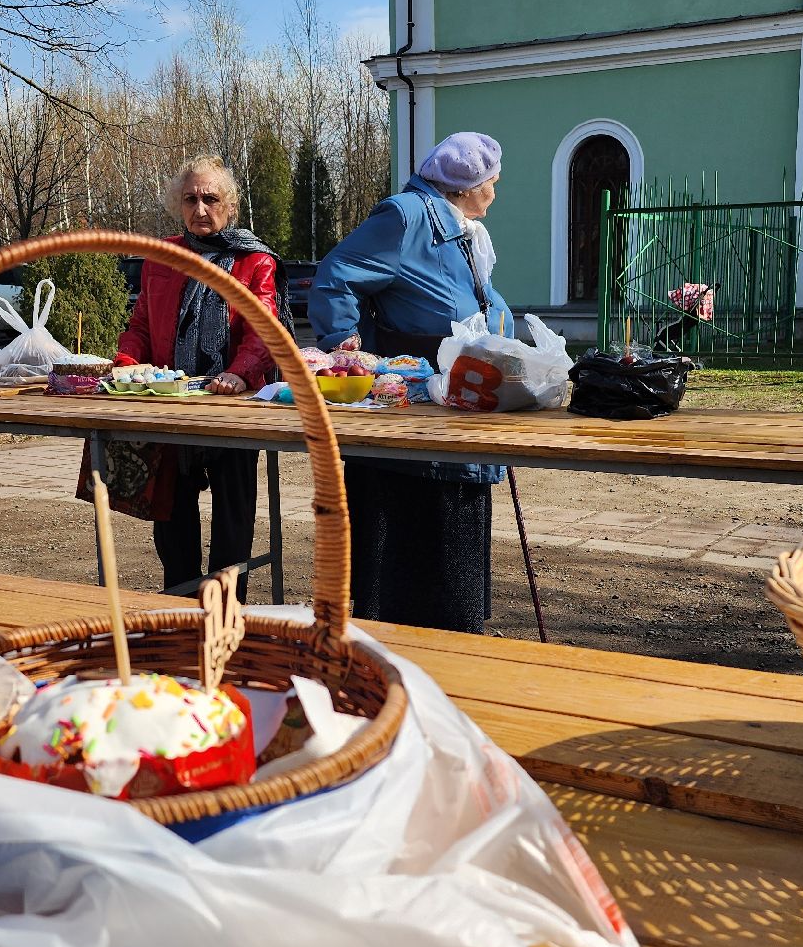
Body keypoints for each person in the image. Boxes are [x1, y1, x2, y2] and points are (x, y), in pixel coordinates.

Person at [308, 131, 516, 633]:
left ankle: (448, 655)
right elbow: (336, 277)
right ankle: (408, 663)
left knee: (454, 549)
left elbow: (475, 302)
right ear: (471, 185)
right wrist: (347, 347)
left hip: (460, 400)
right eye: (494, 181)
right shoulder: (405, 216)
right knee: (412, 562)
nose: (497, 190)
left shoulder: (462, 230)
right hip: (415, 411)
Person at [100, 155, 287, 597]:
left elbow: (264, 328)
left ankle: (226, 611)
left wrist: (240, 374)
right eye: (190, 199)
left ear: (230, 205)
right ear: (177, 205)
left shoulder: (254, 260)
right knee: (171, 518)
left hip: (231, 407)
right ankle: (181, 607)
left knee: (232, 520)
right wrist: (128, 363)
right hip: (173, 404)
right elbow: (140, 326)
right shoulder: (161, 257)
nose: (200, 209)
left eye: (210, 198)